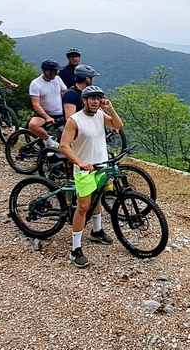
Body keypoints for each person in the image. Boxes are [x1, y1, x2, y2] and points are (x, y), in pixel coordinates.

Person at [59, 85, 124, 267]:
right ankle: (75, 249)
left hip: (101, 166)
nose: (96, 101)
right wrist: (79, 162)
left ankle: (96, 231)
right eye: (92, 98)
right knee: (83, 207)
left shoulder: (100, 115)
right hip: (85, 169)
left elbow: (118, 125)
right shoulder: (75, 120)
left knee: (99, 199)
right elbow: (64, 146)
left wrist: (110, 108)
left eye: (98, 98)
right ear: (84, 101)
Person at [28, 59, 67, 148]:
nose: (56, 73)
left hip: (60, 112)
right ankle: (50, 142)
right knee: (33, 125)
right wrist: (47, 117)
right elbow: (36, 104)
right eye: (54, 71)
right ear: (46, 71)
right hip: (45, 113)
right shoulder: (36, 84)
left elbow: (64, 92)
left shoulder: (57, 79)